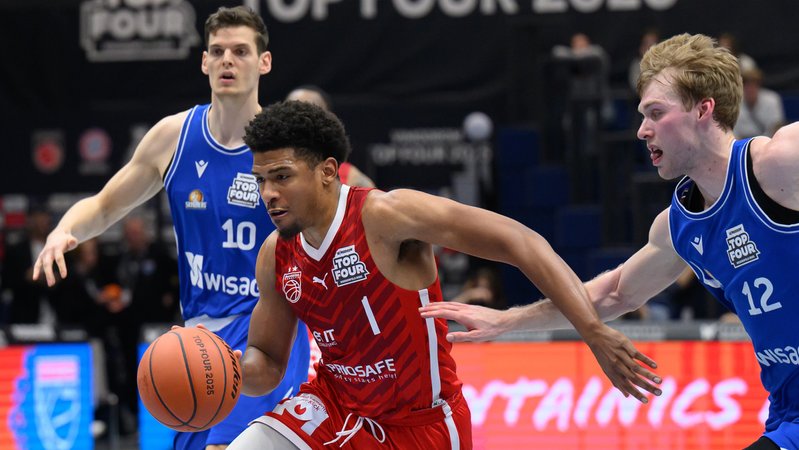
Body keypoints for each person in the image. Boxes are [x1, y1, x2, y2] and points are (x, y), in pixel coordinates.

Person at [420, 33, 799, 450]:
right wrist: (506, 321)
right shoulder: (679, 225)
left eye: (656, 113)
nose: (642, 130)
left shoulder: (779, 163)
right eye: (642, 115)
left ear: (703, 110)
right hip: (787, 411)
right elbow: (615, 294)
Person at [226, 100, 660, 449]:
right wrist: (223, 373)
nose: (269, 193)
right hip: (333, 405)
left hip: (423, 425)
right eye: (261, 180)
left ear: (326, 172)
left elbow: (521, 241)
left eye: (281, 177)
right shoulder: (275, 255)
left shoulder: (386, 215)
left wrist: (592, 331)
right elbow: (267, 363)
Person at [32, 6, 310, 449]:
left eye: (240, 51)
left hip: (265, 329)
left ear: (264, 62)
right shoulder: (174, 137)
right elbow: (105, 205)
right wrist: (65, 230)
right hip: (198, 335)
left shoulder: (286, 148)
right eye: (217, 51)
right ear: (203, 62)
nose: (227, 61)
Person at [285, 85, 376, 188]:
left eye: (308, 112)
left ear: (327, 118)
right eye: (292, 110)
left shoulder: (352, 180)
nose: (299, 119)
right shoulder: (266, 169)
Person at [734, 67, 786, 139]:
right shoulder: (735, 101)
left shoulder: (772, 99)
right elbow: (733, 130)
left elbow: (776, 127)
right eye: (747, 84)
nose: (750, 88)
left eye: (754, 84)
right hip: (742, 144)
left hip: (768, 142)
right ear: (741, 86)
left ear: (759, 85)